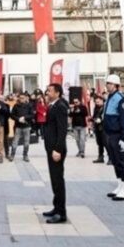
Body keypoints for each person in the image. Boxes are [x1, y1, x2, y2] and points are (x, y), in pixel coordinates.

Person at [41, 83, 69, 224]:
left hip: (56, 150)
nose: (47, 92)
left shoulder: (60, 107)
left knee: (58, 180)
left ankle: (61, 212)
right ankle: (56, 207)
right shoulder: (53, 105)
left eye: (50, 91)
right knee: (54, 179)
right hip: (51, 148)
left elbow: (62, 130)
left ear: (57, 93)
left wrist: (58, 149)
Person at [103, 74, 124, 201]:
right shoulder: (110, 97)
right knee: (115, 161)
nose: (107, 85)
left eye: (109, 83)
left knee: (121, 162)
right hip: (110, 134)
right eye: (107, 83)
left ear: (115, 85)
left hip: (118, 135)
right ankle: (120, 186)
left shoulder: (121, 99)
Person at [9, 93, 34, 162]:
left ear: (26, 98)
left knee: (26, 142)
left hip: (26, 126)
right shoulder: (16, 106)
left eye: (23, 98)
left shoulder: (29, 106)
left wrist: (25, 117)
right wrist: (18, 119)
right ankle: (12, 155)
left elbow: (32, 115)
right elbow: (11, 115)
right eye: (20, 98)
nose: (21, 99)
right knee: (15, 142)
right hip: (18, 127)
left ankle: (25, 155)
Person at [92, 96, 106, 164]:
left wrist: (101, 120)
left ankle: (111, 158)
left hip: (104, 128)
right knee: (99, 143)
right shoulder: (96, 107)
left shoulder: (105, 108)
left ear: (102, 100)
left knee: (106, 143)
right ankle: (100, 157)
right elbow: (94, 116)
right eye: (96, 102)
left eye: (98, 102)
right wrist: (94, 119)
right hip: (97, 127)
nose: (97, 103)